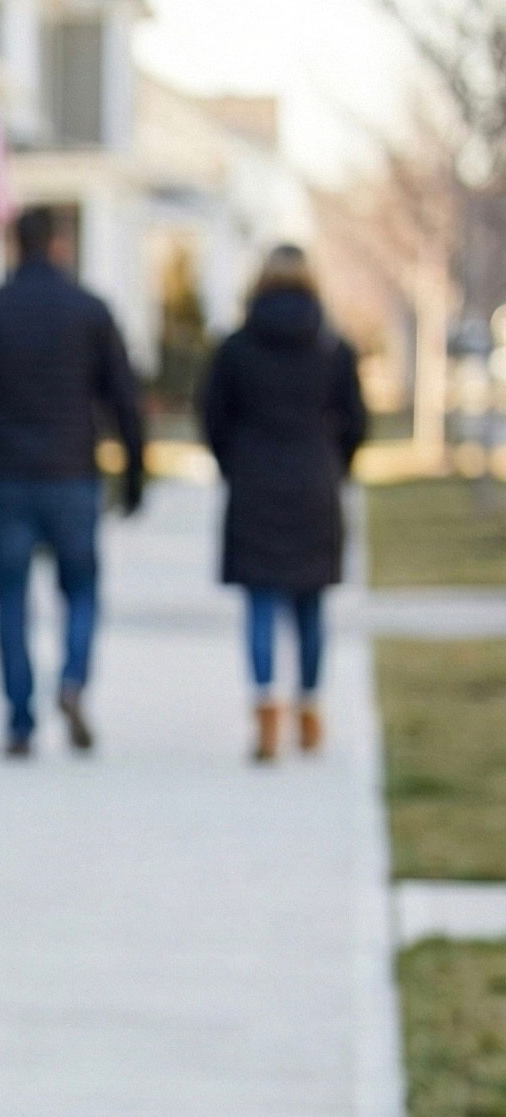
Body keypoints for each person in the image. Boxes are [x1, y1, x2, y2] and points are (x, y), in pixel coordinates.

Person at [0, 205, 147, 756]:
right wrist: (136, 471)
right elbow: (124, 396)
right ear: (60, 245)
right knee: (81, 590)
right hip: (73, 473)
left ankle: (20, 719)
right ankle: (72, 680)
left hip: (6, 476)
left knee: (10, 599)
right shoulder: (91, 311)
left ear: (14, 246)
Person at [198, 244, 367, 760]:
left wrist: (234, 462)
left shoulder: (235, 346)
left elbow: (212, 415)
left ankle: (266, 707)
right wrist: (335, 465)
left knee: (262, 603)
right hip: (314, 480)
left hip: (254, 482)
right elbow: (356, 422)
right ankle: (309, 707)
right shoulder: (332, 347)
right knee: (311, 603)